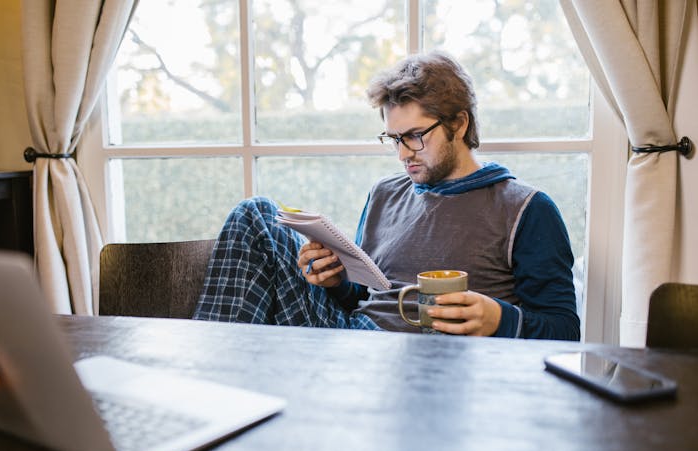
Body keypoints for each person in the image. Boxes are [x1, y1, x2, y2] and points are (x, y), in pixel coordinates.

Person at [194, 51, 579, 341]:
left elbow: (564, 329)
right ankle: (212, 389)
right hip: (353, 337)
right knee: (256, 215)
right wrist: (334, 281)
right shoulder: (385, 193)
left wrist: (500, 319)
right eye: (394, 139)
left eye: (415, 136)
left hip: (435, 359)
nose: (403, 153)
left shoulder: (525, 208)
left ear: (459, 124)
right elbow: (363, 295)